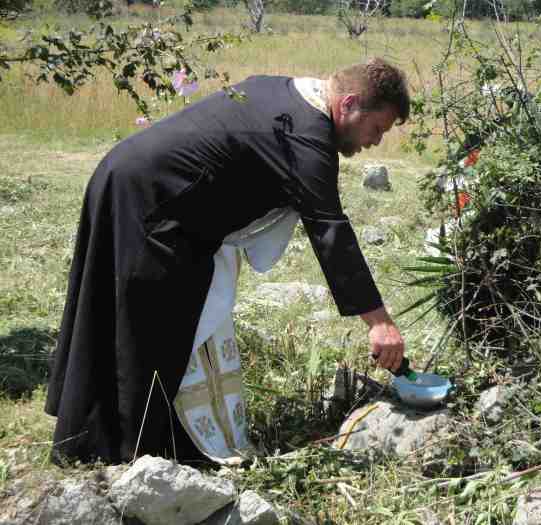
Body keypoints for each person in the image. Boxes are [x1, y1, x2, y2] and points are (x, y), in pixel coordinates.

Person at [45, 57, 410, 466]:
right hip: (151, 199)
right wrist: (379, 323)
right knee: (147, 326)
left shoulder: (285, 89)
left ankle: (112, 437)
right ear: (349, 104)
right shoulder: (308, 137)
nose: (375, 142)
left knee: (132, 315)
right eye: (376, 128)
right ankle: (119, 452)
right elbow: (330, 232)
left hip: (131, 177)